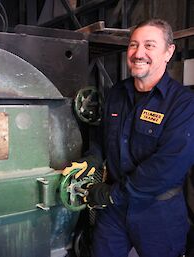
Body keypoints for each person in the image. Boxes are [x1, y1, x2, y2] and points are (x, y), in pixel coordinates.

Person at [64, 19, 194, 257]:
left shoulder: (184, 104)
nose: (138, 53)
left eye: (149, 45)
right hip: (113, 212)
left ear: (168, 52)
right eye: (133, 45)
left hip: (157, 213)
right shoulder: (116, 94)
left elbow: (167, 167)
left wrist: (112, 194)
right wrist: (93, 159)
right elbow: (102, 139)